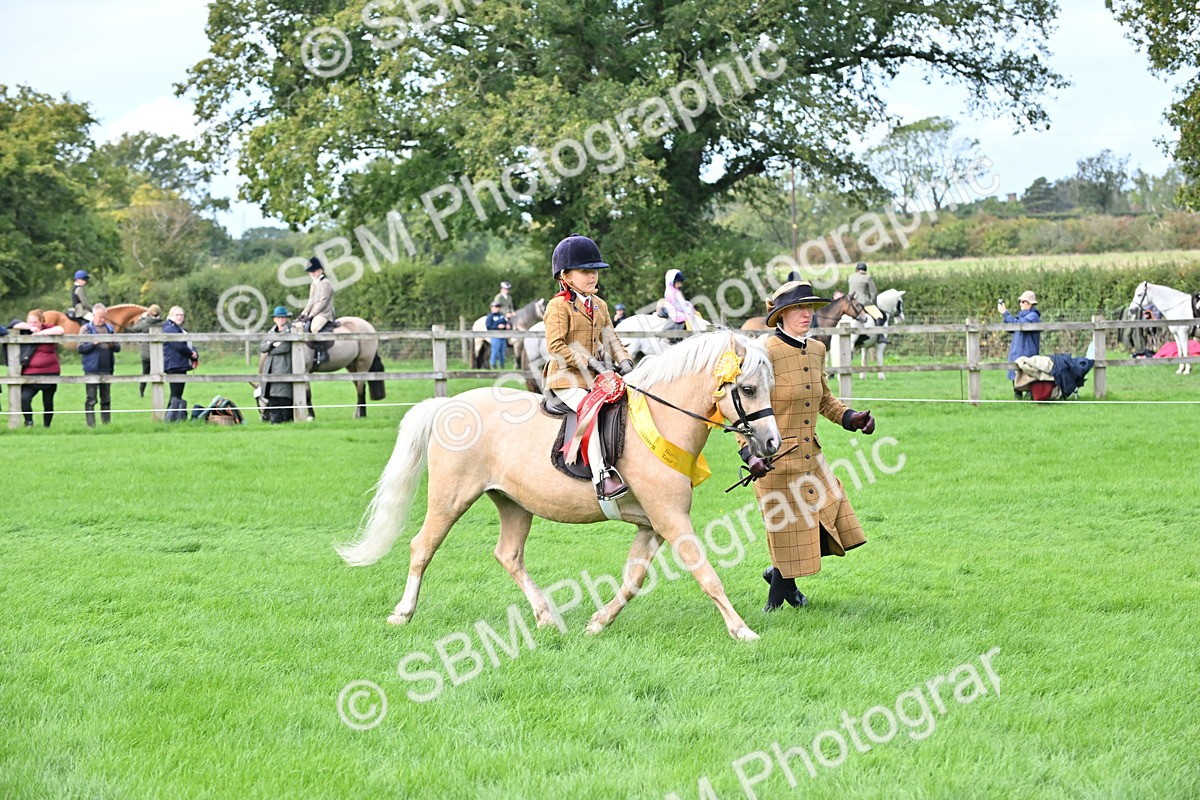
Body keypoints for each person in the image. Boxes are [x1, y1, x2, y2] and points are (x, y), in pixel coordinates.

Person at [739, 281, 876, 612]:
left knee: (830, 517)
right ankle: (774, 607)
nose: (806, 314)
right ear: (782, 314)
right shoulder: (764, 352)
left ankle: (779, 576)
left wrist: (851, 417)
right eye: (799, 308)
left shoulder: (816, 349)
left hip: (810, 457)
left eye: (810, 308)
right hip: (772, 462)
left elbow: (824, 398)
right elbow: (746, 409)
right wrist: (748, 453)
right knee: (788, 533)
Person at [543, 233, 635, 500]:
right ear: (566, 276)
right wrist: (592, 362)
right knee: (589, 409)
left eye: (595, 270)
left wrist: (627, 364)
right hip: (565, 380)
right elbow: (556, 347)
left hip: (596, 379)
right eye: (585, 271)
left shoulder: (599, 305)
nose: (593, 276)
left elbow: (611, 338)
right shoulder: (558, 306)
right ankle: (602, 477)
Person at [11, 310, 65, 428]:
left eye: (35, 322)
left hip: (50, 372)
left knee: (48, 401)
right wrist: (30, 327)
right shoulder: (26, 330)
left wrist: (41, 333)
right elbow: (13, 324)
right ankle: (29, 422)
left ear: (42, 322)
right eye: (30, 321)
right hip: (30, 373)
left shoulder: (48, 328)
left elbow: (60, 330)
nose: (33, 324)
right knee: (24, 398)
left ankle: (47, 426)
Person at [79, 304, 121, 427]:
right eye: (100, 317)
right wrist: (93, 344)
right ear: (93, 315)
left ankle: (106, 424)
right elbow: (80, 348)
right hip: (92, 368)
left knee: (106, 398)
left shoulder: (110, 328)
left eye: (104, 317)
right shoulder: (86, 329)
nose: (102, 320)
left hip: (107, 367)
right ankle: (91, 425)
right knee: (91, 398)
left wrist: (112, 344)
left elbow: (118, 348)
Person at [999, 290, 1041, 397]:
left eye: (1023, 301)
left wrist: (1006, 313)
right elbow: (1011, 327)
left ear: (1030, 303)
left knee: (1029, 372)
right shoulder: (1021, 316)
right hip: (1016, 350)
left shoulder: (1033, 316)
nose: (1020, 304)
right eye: (1020, 301)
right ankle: (1018, 395)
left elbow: (1019, 325)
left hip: (1028, 350)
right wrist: (1006, 317)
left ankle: (1030, 394)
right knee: (1015, 372)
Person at [162, 306, 198, 422]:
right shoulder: (169, 328)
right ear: (171, 315)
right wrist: (191, 354)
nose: (179, 317)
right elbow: (178, 345)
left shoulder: (179, 329)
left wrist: (194, 353)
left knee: (177, 393)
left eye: (181, 315)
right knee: (175, 393)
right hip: (174, 365)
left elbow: (188, 345)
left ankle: (173, 417)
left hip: (179, 364)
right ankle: (170, 418)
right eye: (177, 315)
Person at [259, 306, 295, 424]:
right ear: (274, 319)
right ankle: (275, 421)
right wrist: (272, 344)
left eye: (283, 317)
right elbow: (262, 347)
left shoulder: (290, 331)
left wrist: (270, 347)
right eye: (278, 317)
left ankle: (286, 420)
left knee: (283, 394)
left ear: (286, 318)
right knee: (272, 396)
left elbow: (285, 347)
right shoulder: (271, 331)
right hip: (270, 368)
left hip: (284, 366)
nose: (280, 320)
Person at [298, 257, 336, 366]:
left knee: (314, 328)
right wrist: (304, 313)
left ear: (320, 270)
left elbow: (323, 302)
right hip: (314, 313)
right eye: (310, 272)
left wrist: (311, 315)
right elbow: (311, 300)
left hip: (324, 313)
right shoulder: (314, 284)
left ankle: (322, 353)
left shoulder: (326, 283)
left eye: (314, 271)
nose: (312, 273)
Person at [128, 304, 164, 397]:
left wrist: (141, 318)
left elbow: (135, 328)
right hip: (157, 354)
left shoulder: (144, 323)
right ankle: (158, 393)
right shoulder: (162, 324)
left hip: (145, 353)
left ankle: (141, 391)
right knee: (158, 374)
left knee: (145, 373)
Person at [484, 301, 510, 369]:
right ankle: (493, 365)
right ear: (491, 308)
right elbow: (488, 326)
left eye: (498, 307)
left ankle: (502, 365)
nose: (497, 308)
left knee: (502, 352)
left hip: (503, 336)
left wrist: (506, 325)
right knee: (495, 351)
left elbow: (506, 322)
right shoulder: (490, 316)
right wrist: (497, 327)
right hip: (495, 336)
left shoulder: (501, 315)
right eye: (495, 307)